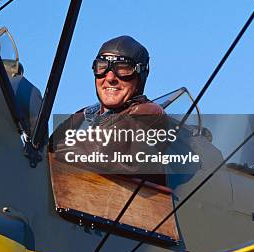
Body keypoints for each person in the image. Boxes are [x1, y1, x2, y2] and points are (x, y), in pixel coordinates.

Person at [50, 35, 168, 182]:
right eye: (102, 67)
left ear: (140, 74)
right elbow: (47, 149)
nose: (110, 77)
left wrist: (61, 149)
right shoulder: (83, 116)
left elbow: (106, 150)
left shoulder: (149, 114)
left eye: (123, 69)